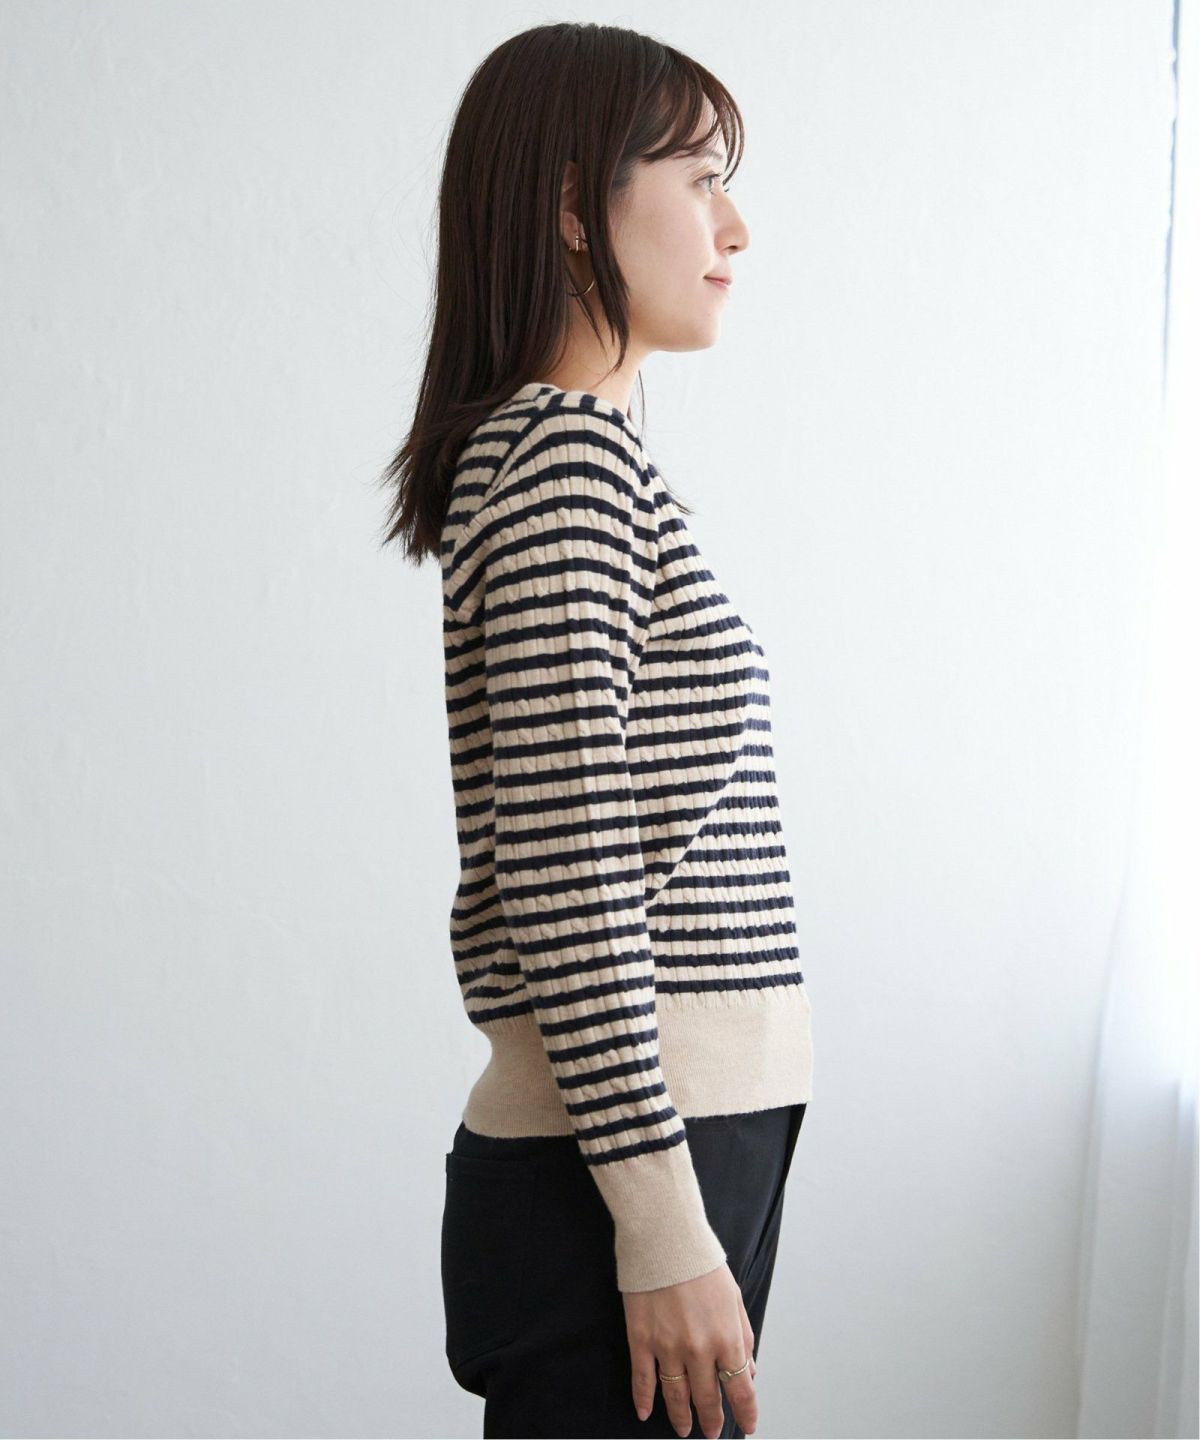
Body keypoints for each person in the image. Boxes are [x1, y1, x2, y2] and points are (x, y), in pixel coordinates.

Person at [378, 21, 814, 1440]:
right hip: (618, 1169)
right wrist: (665, 1225)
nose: (734, 226)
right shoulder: (563, 461)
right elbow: (568, 875)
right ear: (575, 206)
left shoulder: (588, 460)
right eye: (699, 178)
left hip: (642, 1154)